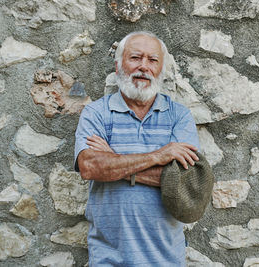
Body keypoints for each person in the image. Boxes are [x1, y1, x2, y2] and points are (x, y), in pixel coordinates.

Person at [74, 31, 200, 266]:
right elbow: (90, 166)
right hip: (109, 258)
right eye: (135, 58)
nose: (144, 67)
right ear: (118, 65)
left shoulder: (179, 116)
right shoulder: (96, 113)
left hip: (165, 259)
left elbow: (186, 183)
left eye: (152, 60)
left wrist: (113, 160)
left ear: (161, 69)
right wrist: (159, 156)